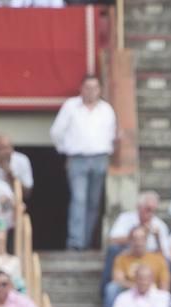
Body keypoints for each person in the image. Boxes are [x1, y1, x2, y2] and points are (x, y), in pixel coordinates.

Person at [50, 75, 117, 250]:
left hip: (100, 158)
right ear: (81, 89)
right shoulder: (71, 106)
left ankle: (86, 242)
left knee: (94, 203)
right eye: (87, 87)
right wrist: (65, 151)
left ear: (100, 90)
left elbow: (111, 134)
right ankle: (75, 242)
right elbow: (56, 132)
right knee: (79, 200)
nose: (91, 91)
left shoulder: (106, 109)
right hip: (78, 159)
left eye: (94, 88)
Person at [105, 225, 171, 307]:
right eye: (135, 239)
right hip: (130, 295)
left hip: (152, 295)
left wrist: (149, 290)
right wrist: (140, 287)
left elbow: (165, 285)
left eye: (142, 238)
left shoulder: (158, 259)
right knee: (112, 288)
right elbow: (118, 280)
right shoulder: (121, 258)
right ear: (130, 241)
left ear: (146, 240)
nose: (138, 243)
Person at [0, 134, 35, 201]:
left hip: (13, 202)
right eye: (1, 148)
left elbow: (27, 193)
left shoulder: (22, 160)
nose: (5, 152)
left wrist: (10, 176)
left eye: (8, 148)